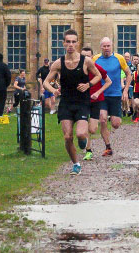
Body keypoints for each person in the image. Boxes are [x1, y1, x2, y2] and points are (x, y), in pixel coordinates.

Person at [43, 29, 103, 175]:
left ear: (77, 43)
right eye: (68, 42)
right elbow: (46, 82)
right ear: (64, 43)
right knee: (67, 136)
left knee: (81, 134)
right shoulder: (58, 63)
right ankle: (76, 164)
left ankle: (83, 142)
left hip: (82, 103)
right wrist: (53, 91)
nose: (70, 44)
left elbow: (98, 76)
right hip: (66, 103)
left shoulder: (85, 61)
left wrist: (88, 85)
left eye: (73, 42)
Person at [92, 37, 132, 156]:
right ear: (101, 47)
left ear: (112, 46)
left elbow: (129, 74)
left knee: (116, 124)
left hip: (115, 94)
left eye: (108, 46)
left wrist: (125, 91)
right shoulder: (95, 59)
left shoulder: (119, 58)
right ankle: (108, 147)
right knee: (102, 118)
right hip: (101, 94)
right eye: (104, 46)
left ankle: (112, 117)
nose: (106, 48)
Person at [80, 46, 111, 161]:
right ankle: (88, 151)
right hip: (82, 101)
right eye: (84, 56)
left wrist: (98, 93)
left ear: (92, 57)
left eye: (88, 56)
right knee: (82, 128)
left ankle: (84, 140)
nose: (86, 58)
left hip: (95, 101)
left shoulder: (97, 68)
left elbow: (108, 82)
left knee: (92, 129)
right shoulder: (77, 69)